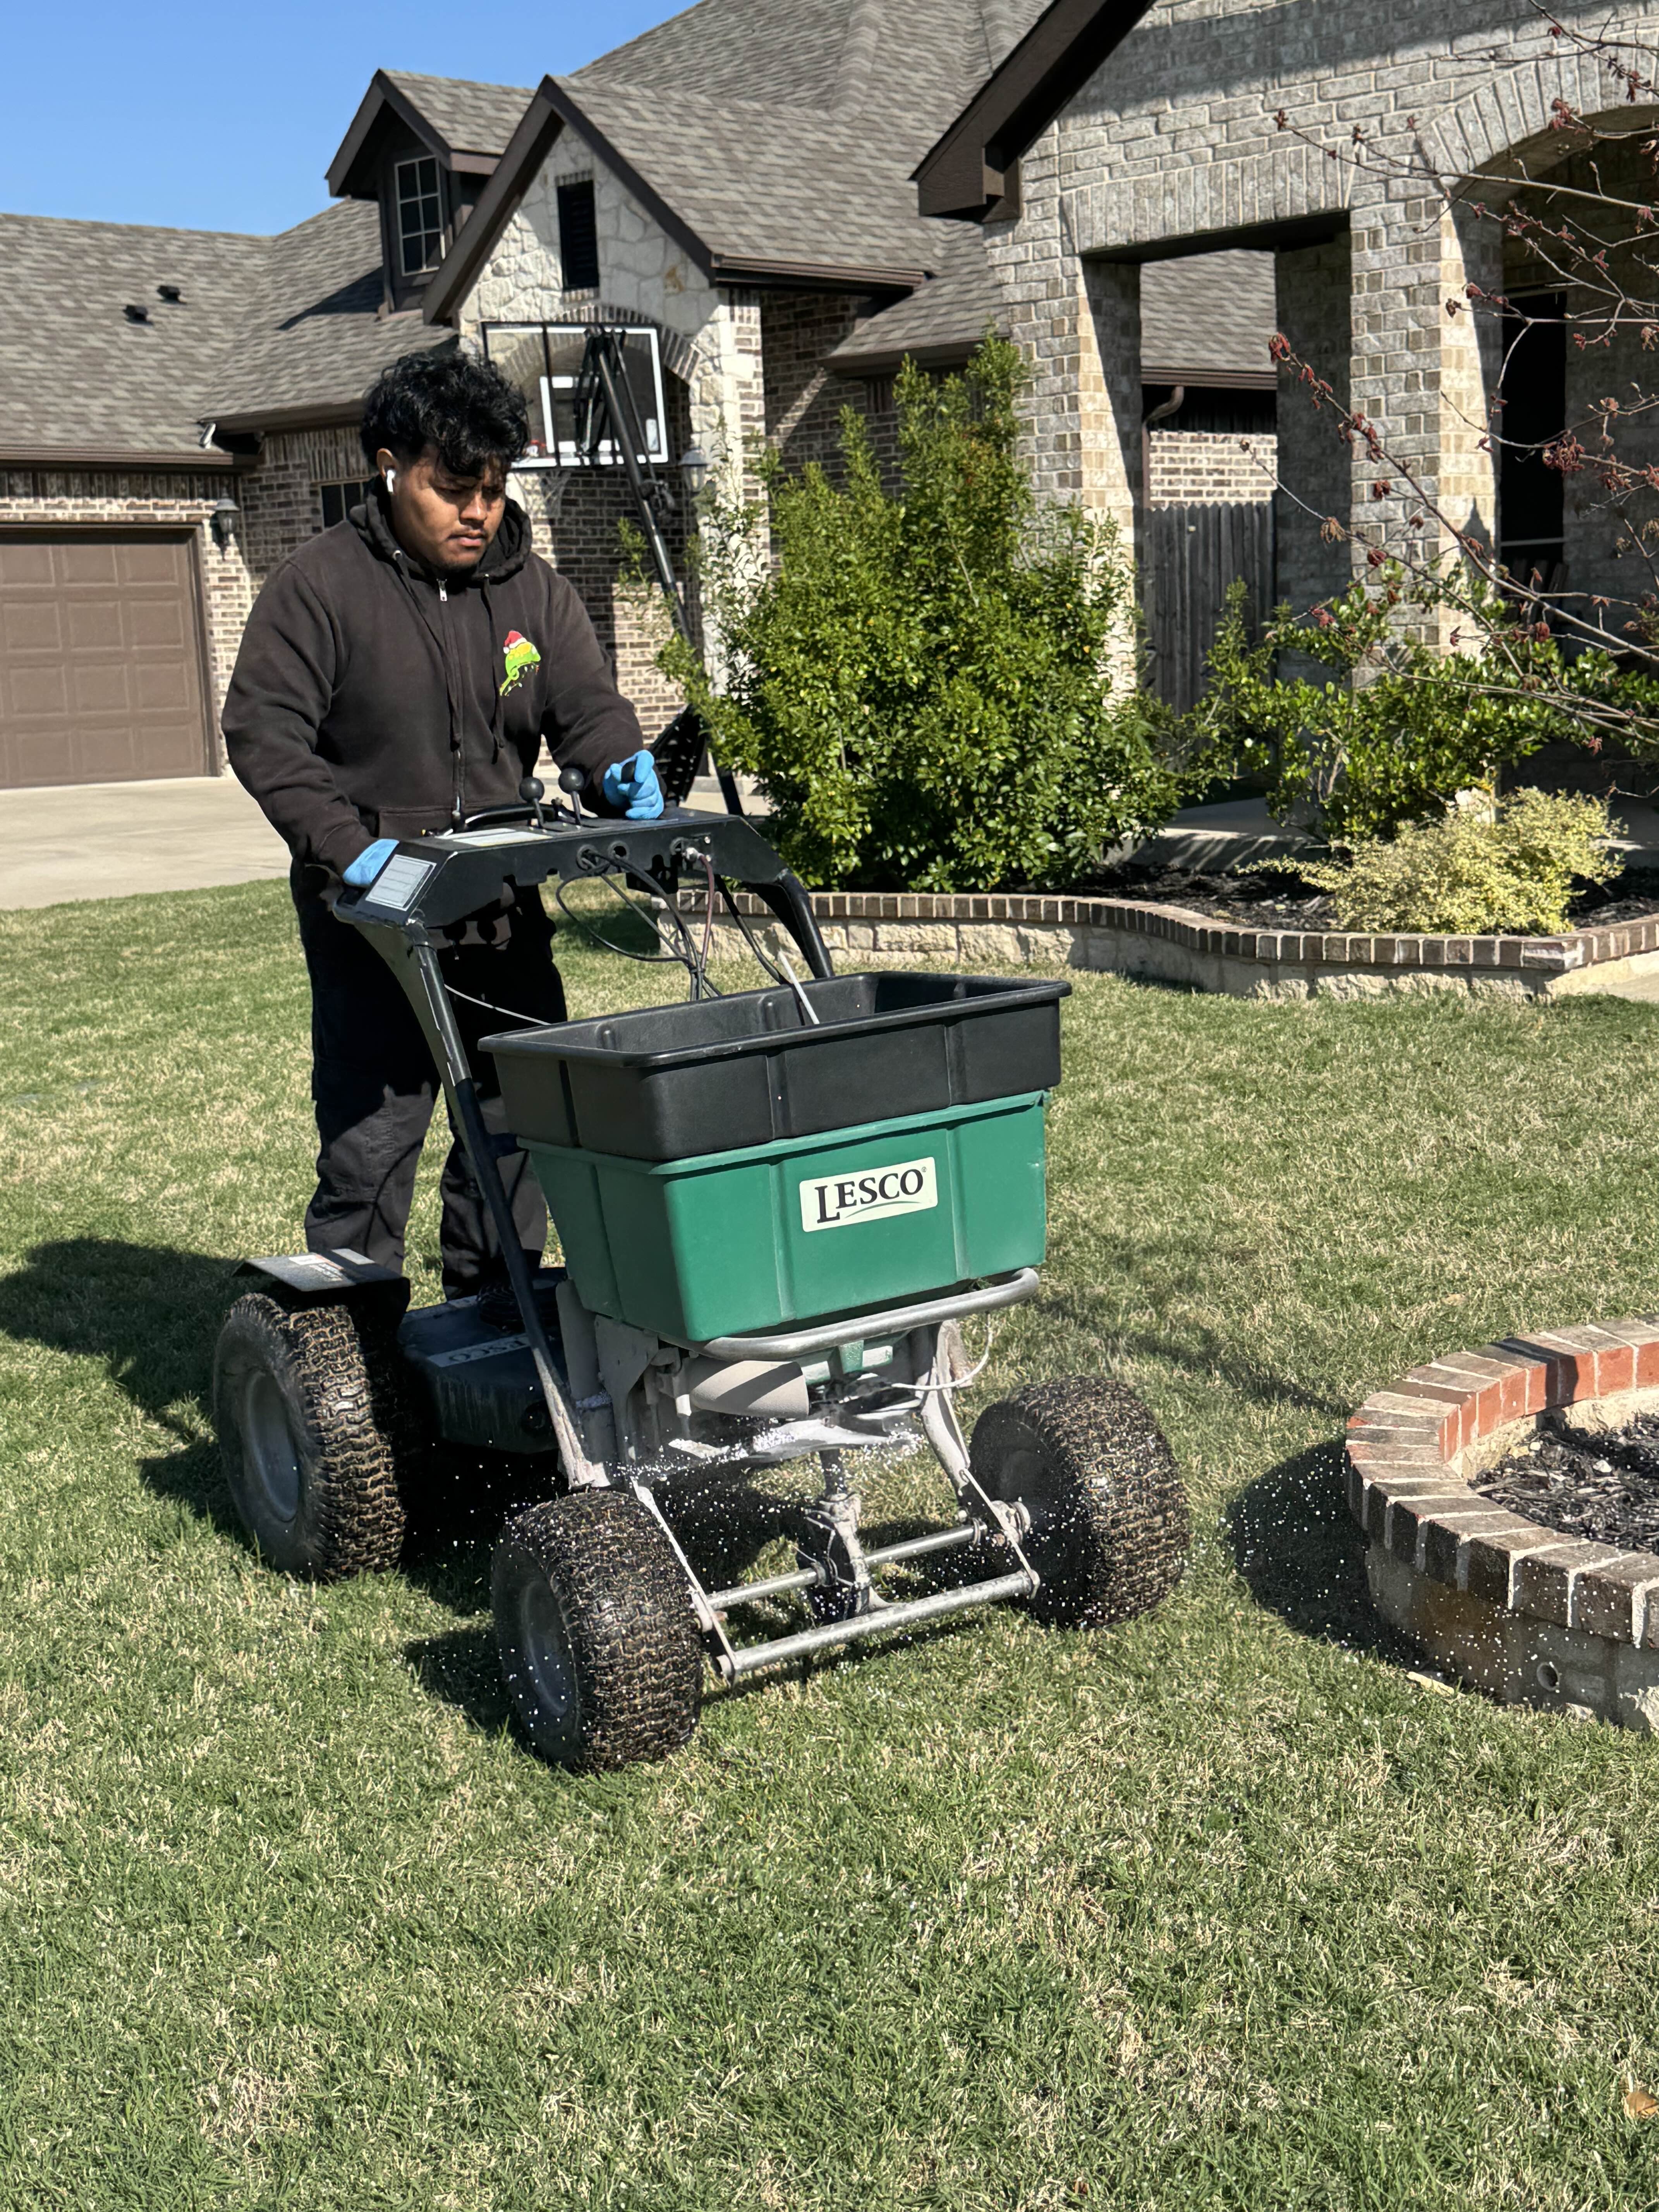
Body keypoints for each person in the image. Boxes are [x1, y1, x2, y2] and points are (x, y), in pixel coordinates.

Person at [223, 348, 663, 1295]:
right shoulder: (320, 588)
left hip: (499, 901)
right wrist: (351, 850)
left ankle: (497, 1319)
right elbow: (264, 735)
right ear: (390, 466)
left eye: (494, 490)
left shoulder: (531, 588)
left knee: (516, 1123)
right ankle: (354, 1358)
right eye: (454, 487)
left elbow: (584, 703)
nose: (478, 512)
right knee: (372, 1140)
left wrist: (613, 761)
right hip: (372, 915)